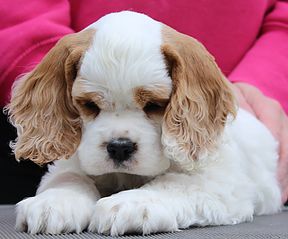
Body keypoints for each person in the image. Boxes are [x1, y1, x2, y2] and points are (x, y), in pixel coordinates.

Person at [0, 0, 287, 204]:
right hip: (68, 141)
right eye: (91, 105)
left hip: (233, 114)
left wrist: (267, 78)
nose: (119, 140)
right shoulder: (64, 90)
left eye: (153, 106)